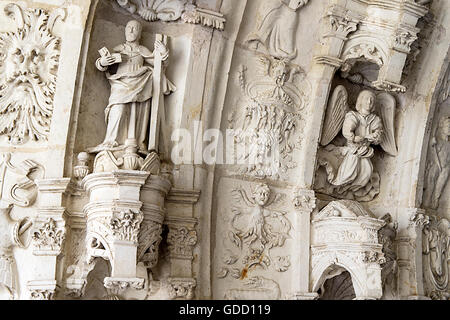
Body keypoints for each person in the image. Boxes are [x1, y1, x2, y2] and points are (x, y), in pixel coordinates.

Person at [95, 20, 176, 153]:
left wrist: (164, 52)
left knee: (136, 113)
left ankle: (136, 142)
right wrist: (102, 62)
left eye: (134, 28)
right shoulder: (118, 48)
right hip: (121, 85)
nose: (131, 31)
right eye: (128, 28)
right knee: (118, 109)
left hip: (140, 86)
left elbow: (159, 65)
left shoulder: (142, 50)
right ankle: (111, 141)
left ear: (139, 33)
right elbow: (102, 64)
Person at [332, 90, 383, 194]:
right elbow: (347, 132)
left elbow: (379, 137)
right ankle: (338, 186)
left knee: (367, 172)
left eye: (372, 100)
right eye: (366, 99)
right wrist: (354, 138)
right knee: (350, 170)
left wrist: (376, 137)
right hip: (352, 149)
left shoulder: (375, 119)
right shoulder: (353, 116)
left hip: (365, 150)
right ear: (360, 101)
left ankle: (349, 190)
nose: (369, 102)